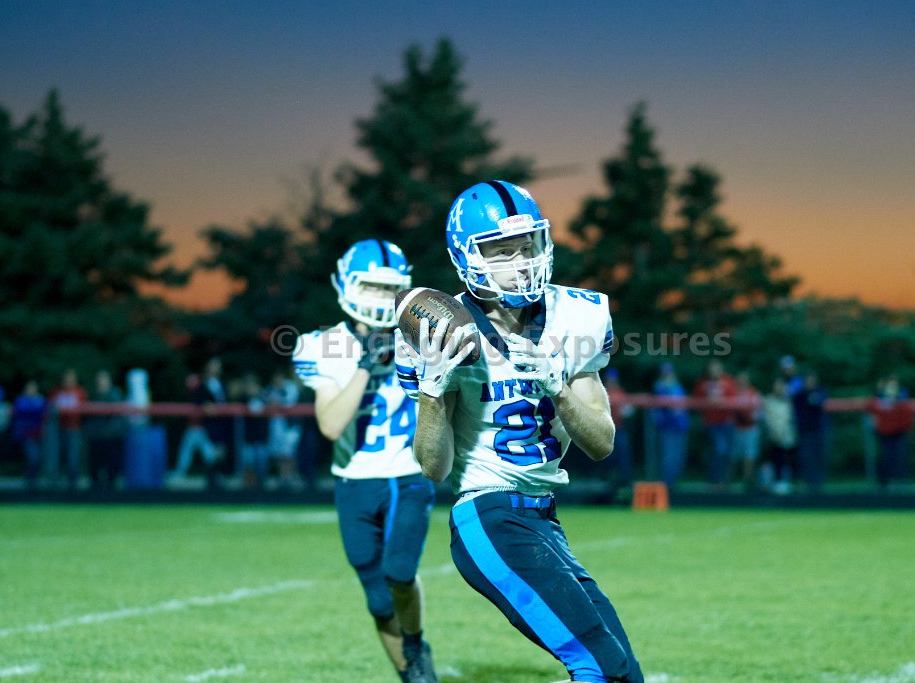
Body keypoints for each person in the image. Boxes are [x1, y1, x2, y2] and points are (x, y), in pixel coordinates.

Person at [399, 180, 643, 683]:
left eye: (527, 245)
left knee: (624, 673)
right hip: (488, 514)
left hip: (545, 520)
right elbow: (433, 468)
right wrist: (431, 390)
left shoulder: (579, 314)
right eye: (502, 251)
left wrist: (559, 386)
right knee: (600, 665)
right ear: (467, 257)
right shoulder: (445, 332)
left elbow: (601, 443)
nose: (522, 262)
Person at [292, 238, 438, 683]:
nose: (379, 297)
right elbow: (331, 425)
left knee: (400, 572)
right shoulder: (322, 345)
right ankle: (411, 673)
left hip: (407, 473)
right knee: (377, 598)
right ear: (347, 285)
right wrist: (365, 363)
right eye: (371, 286)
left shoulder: (421, 338)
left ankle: (414, 645)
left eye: (388, 288)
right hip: (353, 480)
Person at [692, 359, 738, 490]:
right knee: (718, 449)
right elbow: (695, 400)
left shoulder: (728, 381)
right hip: (711, 423)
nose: (714, 371)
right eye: (712, 368)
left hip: (726, 422)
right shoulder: (702, 383)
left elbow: (735, 399)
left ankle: (723, 481)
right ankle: (714, 480)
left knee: (726, 452)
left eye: (717, 368)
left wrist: (722, 401)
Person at [868, 375, 915, 489]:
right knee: (885, 457)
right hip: (884, 433)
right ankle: (883, 482)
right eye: (889, 386)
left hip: (899, 432)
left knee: (900, 456)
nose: (891, 388)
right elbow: (871, 408)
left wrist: (895, 403)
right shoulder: (878, 399)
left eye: (894, 386)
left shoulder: (902, 399)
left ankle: (901, 481)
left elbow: (908, 415)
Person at [83, 370, 126, 489]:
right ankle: (95, 487)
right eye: (99, 380)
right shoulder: (92, 396)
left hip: (111, 436)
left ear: (109, 382)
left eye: (103, 380)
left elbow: (117, 418)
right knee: (95, 465)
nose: (101, 383)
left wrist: (110, 431)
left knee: (112, 465)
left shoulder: (115, 395)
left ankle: (111, 487)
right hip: (96, 437)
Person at [651, 362, 689, 492]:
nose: (668, 376)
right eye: (665, 374)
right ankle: (666, 485)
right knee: (668, 458)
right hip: (668, 428)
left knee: (678, 458)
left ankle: (673, 484)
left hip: (680, 427)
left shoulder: (677, 387)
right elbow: (659, 410)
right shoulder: (659, 388)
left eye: (669, 373)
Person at [51, 368, 87, 489]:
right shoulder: (56, 392)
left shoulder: (80, 392)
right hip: (58, 430)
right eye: (66, 378)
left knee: (73, 456)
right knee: (58, 456)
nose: (68, 381)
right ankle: (57, 481)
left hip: (74, 429)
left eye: (71, 378)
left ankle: (72, 483)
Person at [793, 372, 829, 493]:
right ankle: (808, 481)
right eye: (808, 380)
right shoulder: (799, 395)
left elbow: (819, 403)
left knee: (819, 456)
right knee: (806, 456)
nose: (810, 383)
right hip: (805, 431)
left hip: (818, 430)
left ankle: (818, 482)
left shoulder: (821, 391)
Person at [762, 378, 798, 494]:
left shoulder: (788, 402)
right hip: (772, 436)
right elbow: (767, 418)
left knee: (786, 459)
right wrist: (774, 432)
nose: (779, 389)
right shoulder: (768, 400)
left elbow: (789, 418)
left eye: (781, 386)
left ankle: (785, 482)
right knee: (772, 459)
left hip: (785, 436)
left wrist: (782, 432)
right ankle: (771, 482)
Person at [12, 380, 47, 488]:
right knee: (32, 457)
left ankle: (33, 479)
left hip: (39, 433)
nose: (31, 390)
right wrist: (36, 407)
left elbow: (46, 409)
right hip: (26, 434)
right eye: (29, 388)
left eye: (33, 388)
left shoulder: (41, 399)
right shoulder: (21, 399)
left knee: (39, 457)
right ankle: (30, 479)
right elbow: (23, 409)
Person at [731, 370, 761, 490]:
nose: (742, 382)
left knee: (749, 456)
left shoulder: (753, 393)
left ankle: (748, 481)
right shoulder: (733, 393)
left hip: (750, 429)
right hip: (737, 429)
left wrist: (746, 415)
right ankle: (729, 482)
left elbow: (757, 413)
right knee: (733, 457)